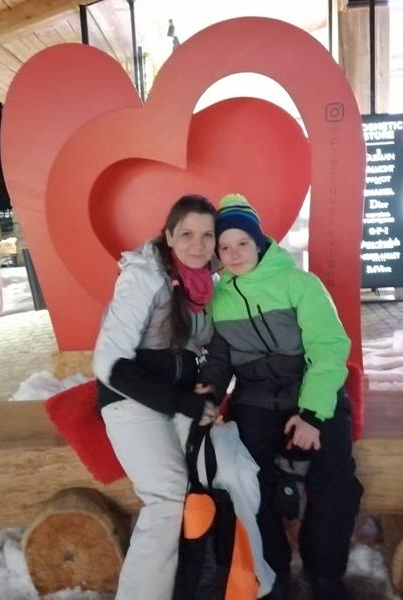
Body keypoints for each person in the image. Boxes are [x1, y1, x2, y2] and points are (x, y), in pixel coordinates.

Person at [92, 194, 275, 600]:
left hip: (177, 400)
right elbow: (108, 362)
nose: (199, 244)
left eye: (208, 236)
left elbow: (210, 354)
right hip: (129, 399)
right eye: (187, 234)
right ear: (169, 236)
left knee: (230, 471)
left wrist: (206, 391)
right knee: (167, 497)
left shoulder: (208, 284)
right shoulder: (143, 277)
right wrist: (182, 402)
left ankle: (243, 583)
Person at [198, 194, 364, 600]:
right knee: (250, 483)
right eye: (224, 247)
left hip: (311, 391)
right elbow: (219, 361)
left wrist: (311, 414)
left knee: (335, 482)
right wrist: (209, 396)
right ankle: (273, 575)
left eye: (242, 243)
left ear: (259, 242)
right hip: (255, 399)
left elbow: (328, 347)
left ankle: (325, 575)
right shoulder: (218, 300)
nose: (234, 254)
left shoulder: (300, 284)